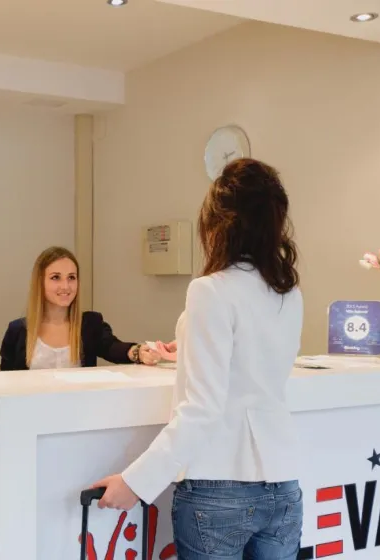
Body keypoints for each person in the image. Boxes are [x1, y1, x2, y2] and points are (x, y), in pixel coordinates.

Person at [92, 158, 304, 560]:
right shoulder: (288, 293)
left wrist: (137, 482)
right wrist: (189, 347)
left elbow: (203, 408)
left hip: (218, 490)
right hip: (283, 486)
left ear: (218, 224)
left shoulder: (211, 290)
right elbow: (256, 365)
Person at [0, 246, 159, 370]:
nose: (65, 286)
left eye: (71, 277)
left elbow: (112, 347)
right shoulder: (17, 330)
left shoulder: (90, 323)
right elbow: (7, 381)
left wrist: (138, 352)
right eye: (56, 277)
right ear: (40, 282)